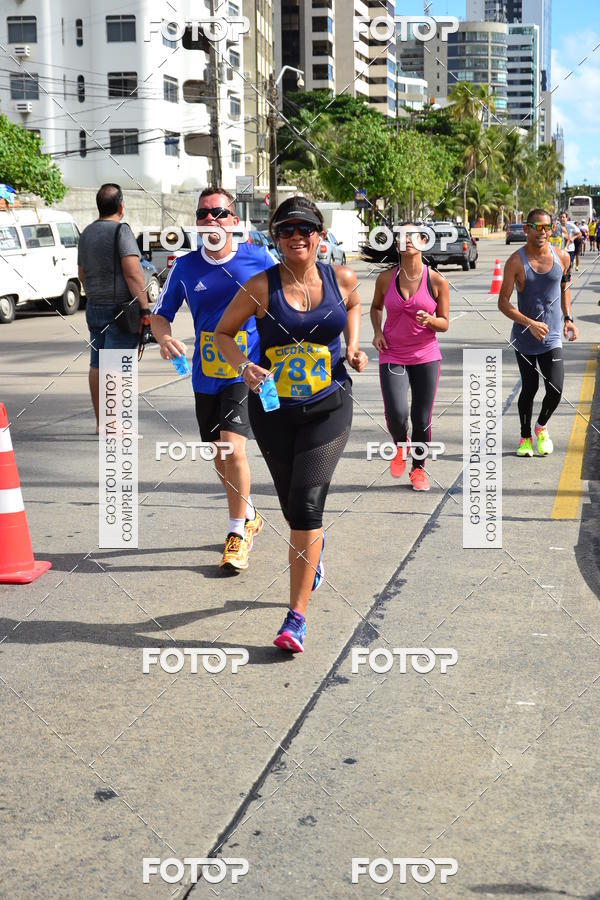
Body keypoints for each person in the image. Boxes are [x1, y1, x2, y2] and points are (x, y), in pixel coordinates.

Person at [215, 196, 368, 653]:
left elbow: (355, 305)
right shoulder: (260, 287)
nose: (297, 237)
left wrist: (354, 347)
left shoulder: (341, 278)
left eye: (306, 229)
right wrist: (244, 366)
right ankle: (313, 553)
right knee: (289, 505)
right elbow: (223, 334)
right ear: (276, 239)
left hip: (329, 404)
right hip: (274, 409)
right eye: (286, 230)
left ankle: (295, 618)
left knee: (305, 505)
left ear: (320, 235)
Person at [151, 188, 277, 573]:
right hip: (207, 375)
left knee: (232, 448)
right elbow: (161, 313)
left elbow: (287, 298)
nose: (211, 220)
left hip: (246, 369)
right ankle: (250, 513)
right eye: (204, 214)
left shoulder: (258, 258)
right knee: (219, 455)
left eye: (219, 213)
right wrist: (163, 336)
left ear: (234, 222)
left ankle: (236, 533)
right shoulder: (186, 267)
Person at [370, 223, 449, 491]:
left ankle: (418, 470)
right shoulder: (386, 278)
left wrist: (431, 320)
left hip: (426, 355)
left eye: (413, 236)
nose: (407, 241)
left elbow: (445, 323)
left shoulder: (436, 280)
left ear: (424, 241)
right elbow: (375, 307)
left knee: (421, 417)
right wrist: (376, 332)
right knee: (396, 413)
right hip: (392, 353)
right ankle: (400, 445)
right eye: (402, 237)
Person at [498, 208, 578, 457]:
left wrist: (568, 318)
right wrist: (529, 323)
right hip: (524, 339)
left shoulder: (562, 257)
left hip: (552, 336)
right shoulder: (515, 262)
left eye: (547, 227)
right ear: (527, 229)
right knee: (530, 388)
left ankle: (541, 426)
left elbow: (564, 287)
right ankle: (525, 438)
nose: (542, 232)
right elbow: (503, 303)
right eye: (537, 227)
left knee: (555, 388)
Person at [78, 183, 151, 433]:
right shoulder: (122, 231)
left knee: (97, 364)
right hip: (120, 310)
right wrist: (145, 308)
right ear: (121, 206)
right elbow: (133, 273)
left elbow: (81, 274)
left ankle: (103, 423)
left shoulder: (86, 233)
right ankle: (116, 425)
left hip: (94, 307)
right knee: (118, 367)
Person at [558, 211, 581, 278]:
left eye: (563, 217)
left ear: (567, 218)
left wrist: (573, 238)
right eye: (561, 217)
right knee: (561, 264)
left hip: (570, 249)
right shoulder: (557, 226)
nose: (562, 218)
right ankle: (563, 278)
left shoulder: (571, 226)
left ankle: (567, 277)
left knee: (569, 265)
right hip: (560, 249)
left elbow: (580, 234)